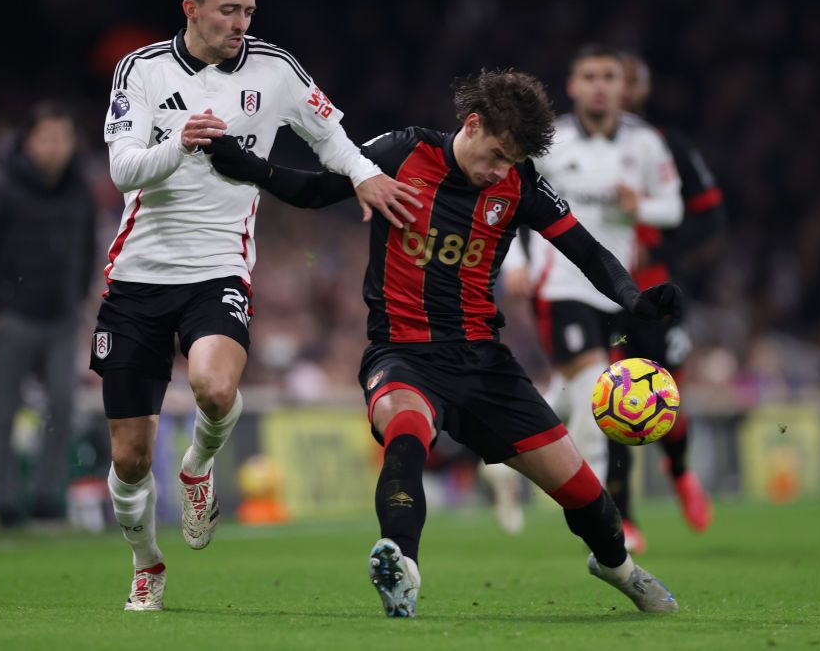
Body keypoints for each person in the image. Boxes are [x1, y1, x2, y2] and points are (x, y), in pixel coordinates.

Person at [205, 69, 683, 617]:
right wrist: (245, 165)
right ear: (472, 124)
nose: (500, 170)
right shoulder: (401, 152)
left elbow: (586, 250)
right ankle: (401, 568)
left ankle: (618, 567)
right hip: (402, 353)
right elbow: (315, 189)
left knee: (582, 491)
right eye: (498, 154)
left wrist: (633, 298)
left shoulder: (520, 182)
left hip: (484, 362)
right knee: (405, 434)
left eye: (514, 161)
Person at [90, 0, 420, 611]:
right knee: (128, 456)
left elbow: (332, 136)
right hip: (136, 277)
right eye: (228, 10)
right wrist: (179, 141)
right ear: (192, 8)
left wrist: (363, 175)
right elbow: (125, 170)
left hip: (220, 265)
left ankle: (199, 466)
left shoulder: (275, 70)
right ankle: (147, 563)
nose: (241, 22)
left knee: (215, 386)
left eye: (248, 10)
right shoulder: (143, 70)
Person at [489, 44, 683, 537]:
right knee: (600, 388)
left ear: (624, 86)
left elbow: (673, 208)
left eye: (609, 77)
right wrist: (515, 262)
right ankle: (604, 521)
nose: (600, 85)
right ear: (573, 87)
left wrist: (640, 206)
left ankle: (499, 461)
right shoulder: (550, 142)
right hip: (559, 285)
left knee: (576, 394)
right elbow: (507, 195)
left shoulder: (645, 144)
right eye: (590, 76)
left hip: (616, 289)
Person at [603, 52, 724, 551]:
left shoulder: (663, 145)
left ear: (644, 90)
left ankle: (679, 471)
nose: (622, 90)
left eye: (632, 81)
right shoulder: (574, 146)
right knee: (612, 398)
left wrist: (662, 248)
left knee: (664, 396)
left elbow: (710, 214)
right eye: (613, 80)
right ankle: (624, 517)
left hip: (657, 290)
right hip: (604, 293)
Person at [0, 102, 96, 526]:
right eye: (46, 137)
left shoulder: (80, 190)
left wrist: (77, 297)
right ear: (29, 141)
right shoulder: (0, 189)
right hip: (12, 320)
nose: (55, 147)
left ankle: (49, 496)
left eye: (63, 138)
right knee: (5, 408)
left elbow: (88, 249)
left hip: (60, 319)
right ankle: (4, 501)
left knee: (62, 402)